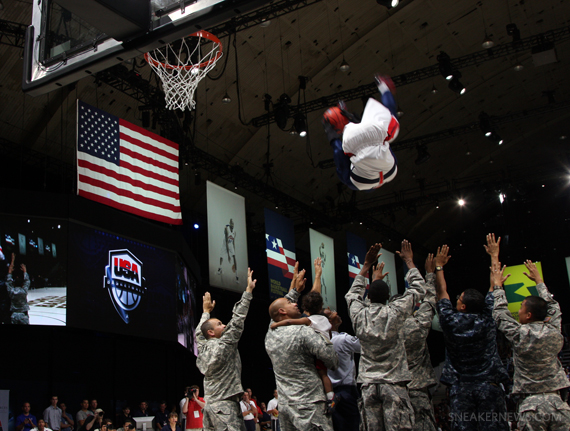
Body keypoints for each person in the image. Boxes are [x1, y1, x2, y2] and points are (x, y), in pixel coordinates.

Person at [486, 233, 570, 430]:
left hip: (531, 407)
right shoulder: (554, 331)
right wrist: (539, 281)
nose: (520, 310)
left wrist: (498, 285)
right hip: (559, 405)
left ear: (529, 315)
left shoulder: (519, 334)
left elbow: (499, 312)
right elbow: (553, 306)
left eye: (522, 307)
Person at [345, 241, 427, 431]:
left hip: (368, 384)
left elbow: (352, 295)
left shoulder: (358, 314)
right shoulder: (395, 312)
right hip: (394, 383)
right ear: (388, 297)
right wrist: (409, 262)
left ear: (369, 297)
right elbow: (418, 289)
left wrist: (366, 266)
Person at [434, 243, 509, 431]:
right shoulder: (488, 319)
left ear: (462, 307)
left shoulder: (449, 321)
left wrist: (439, 266)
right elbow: (494, 285)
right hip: (489, 387)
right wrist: (494, 255)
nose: (457, 298)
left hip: (461, 388)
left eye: (459, 298)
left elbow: (441, 291)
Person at [265, 262, 339, 431]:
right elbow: (333, 361)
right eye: (291, 304)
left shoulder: (270, 333)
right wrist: (324, 333)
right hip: (309, 406)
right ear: (283, 312)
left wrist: (295, 290)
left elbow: (276, 311)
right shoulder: (303, 332)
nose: (295, 304)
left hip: (285, 407)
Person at [196, 267, 257, 431]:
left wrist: (205, 313)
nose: (224, 325)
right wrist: (248, 292)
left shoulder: (203, 347)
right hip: (225, 409)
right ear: (211, 332)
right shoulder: (224, 345)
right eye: (220, 324)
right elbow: (237, 322)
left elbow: (198, 334)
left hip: (210, 408)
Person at [323, 75, 399, 191]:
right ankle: (385, 89)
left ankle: (384, 89)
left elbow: (339, 152)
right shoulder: (353, 137)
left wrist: (331, 135)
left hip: (387, 171)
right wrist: (332, 137)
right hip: (383, 170)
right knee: (388, 125)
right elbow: (338, 151)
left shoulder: (362, 134)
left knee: (389, 130)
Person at [403, 254, 438, 431]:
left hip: (394, 390)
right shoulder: (416, 327)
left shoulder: (382, 330)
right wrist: (430, 274)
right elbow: (430, 301)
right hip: (417, 389)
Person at [324, 308, 361, 431]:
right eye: (332, 313)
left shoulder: (320, 340)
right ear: (329, 321)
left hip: (328, 393)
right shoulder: (343, 339)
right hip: (346, 391)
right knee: (352, 425)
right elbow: (366, 345)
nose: (337, 312)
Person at [6, 253, 30, 324]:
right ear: (22, 284)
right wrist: (25, 271)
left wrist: (10, 271)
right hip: (23, 315)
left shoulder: (12, 291)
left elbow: (8, 281)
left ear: (14, 284)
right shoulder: (24, 291)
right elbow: (27, 281)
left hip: (14, 315)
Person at [216, 219, 239, 284]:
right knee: (221, 256)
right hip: (225, 243)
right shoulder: (226, 229)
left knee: (234, 257)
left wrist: (234, 251)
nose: (232, 227)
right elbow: (226, 242)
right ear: (229, 225)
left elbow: (233, 242)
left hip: (230, 244)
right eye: (231, 226)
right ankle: (220, 268)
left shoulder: (234, 231)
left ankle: (236, 276)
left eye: (233, 226)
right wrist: (228, 255)